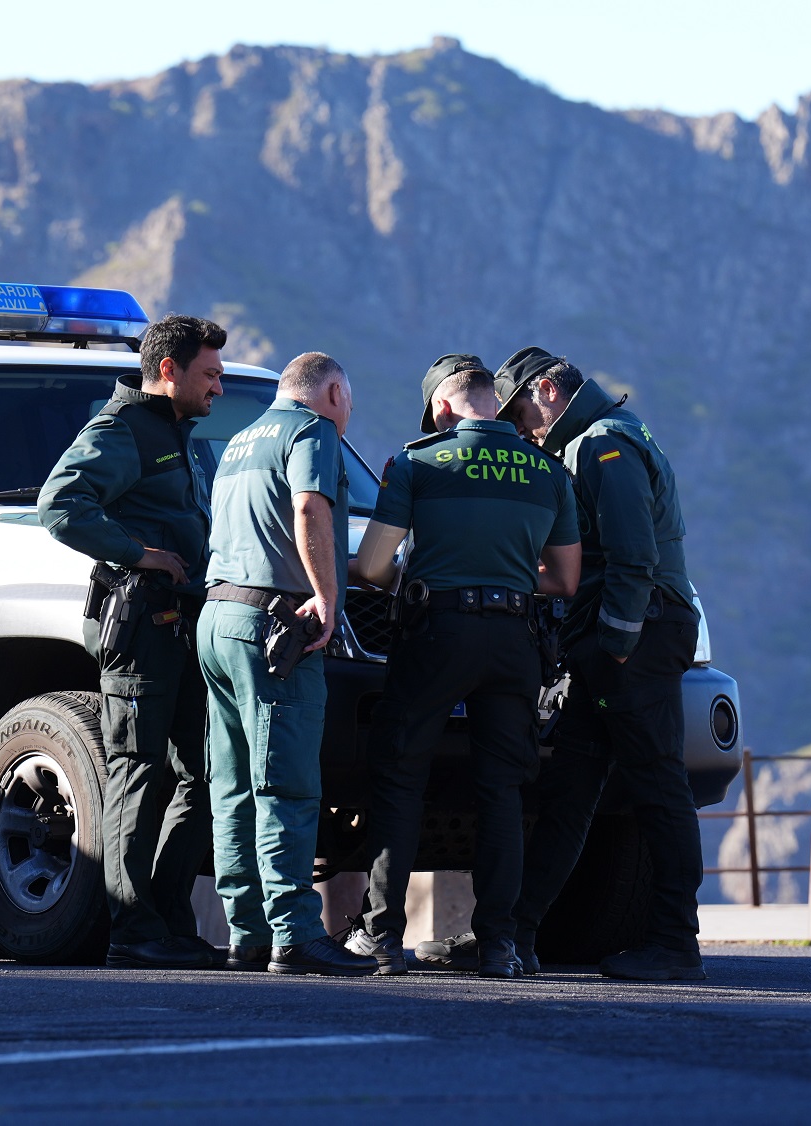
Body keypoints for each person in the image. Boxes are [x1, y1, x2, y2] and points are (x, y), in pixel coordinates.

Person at [344, 357, 580, 978]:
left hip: (435, 634)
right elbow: (564, 579)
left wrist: (419, 578)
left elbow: (369, 568)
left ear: (443, 408)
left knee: (400, 779)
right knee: (501, 790)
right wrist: (500, 571)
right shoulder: (548, 471)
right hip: (515, 642)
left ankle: (381, 938)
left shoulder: (416, 462)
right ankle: (500, 944)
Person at [491, 346, 706, 982]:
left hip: (633, 637)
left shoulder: (601, 444)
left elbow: (633, 555)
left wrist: (613, 644)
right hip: (613, 642)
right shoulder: (598, 438)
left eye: (522, 408)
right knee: (570, 791)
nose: (523, 425)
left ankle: (674, 943)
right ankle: (513, 934)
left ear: (549, 389)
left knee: (658, 783)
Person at [37, 314, 226, 970]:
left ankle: (170, 920)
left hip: (184, 628)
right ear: (169, 371)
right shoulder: (123, 430)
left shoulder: (173, 430)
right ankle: (131, 926)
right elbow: (60, 503)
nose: (219, 388)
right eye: (210, 375)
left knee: (198, 775)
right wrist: (137, 553)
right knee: (138, 771)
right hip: (142, 627)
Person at [197, 351, 377, 976]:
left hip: (218, 618)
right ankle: (295, 933)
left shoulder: (241, 439)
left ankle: (247, 933)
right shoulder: (312, 432)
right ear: (332, 391)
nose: (346, 414)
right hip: (276, 629)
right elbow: (308, 509)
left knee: (233, 785)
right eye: (347, 402)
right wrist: (326, 599)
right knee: (286, 783)